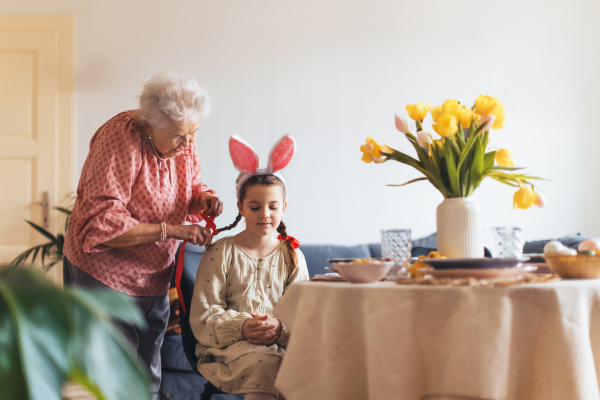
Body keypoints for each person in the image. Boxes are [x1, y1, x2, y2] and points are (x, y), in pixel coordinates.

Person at [63, 71, 223, 399]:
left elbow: (188, 185)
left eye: (193, 133)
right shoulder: (119, 139)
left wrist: (202, 198)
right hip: (105, 272)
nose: (189, 143)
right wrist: (173, 230)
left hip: (154, 275)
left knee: (148, 372)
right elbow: (103, 221)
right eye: (180, 135)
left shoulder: (181, 140)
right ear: (150, 125)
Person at [189, 135, 308, 400]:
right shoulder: (220, 253)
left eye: (273, 207)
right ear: (241, 207)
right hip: (229, 348)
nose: (265, 214)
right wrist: (242, 327)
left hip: (284, 346)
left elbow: (305, 315)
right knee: (263, 364)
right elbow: (203, 316)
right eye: (255, 207)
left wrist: (280, 329)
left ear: (284, 208)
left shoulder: (293, 256)